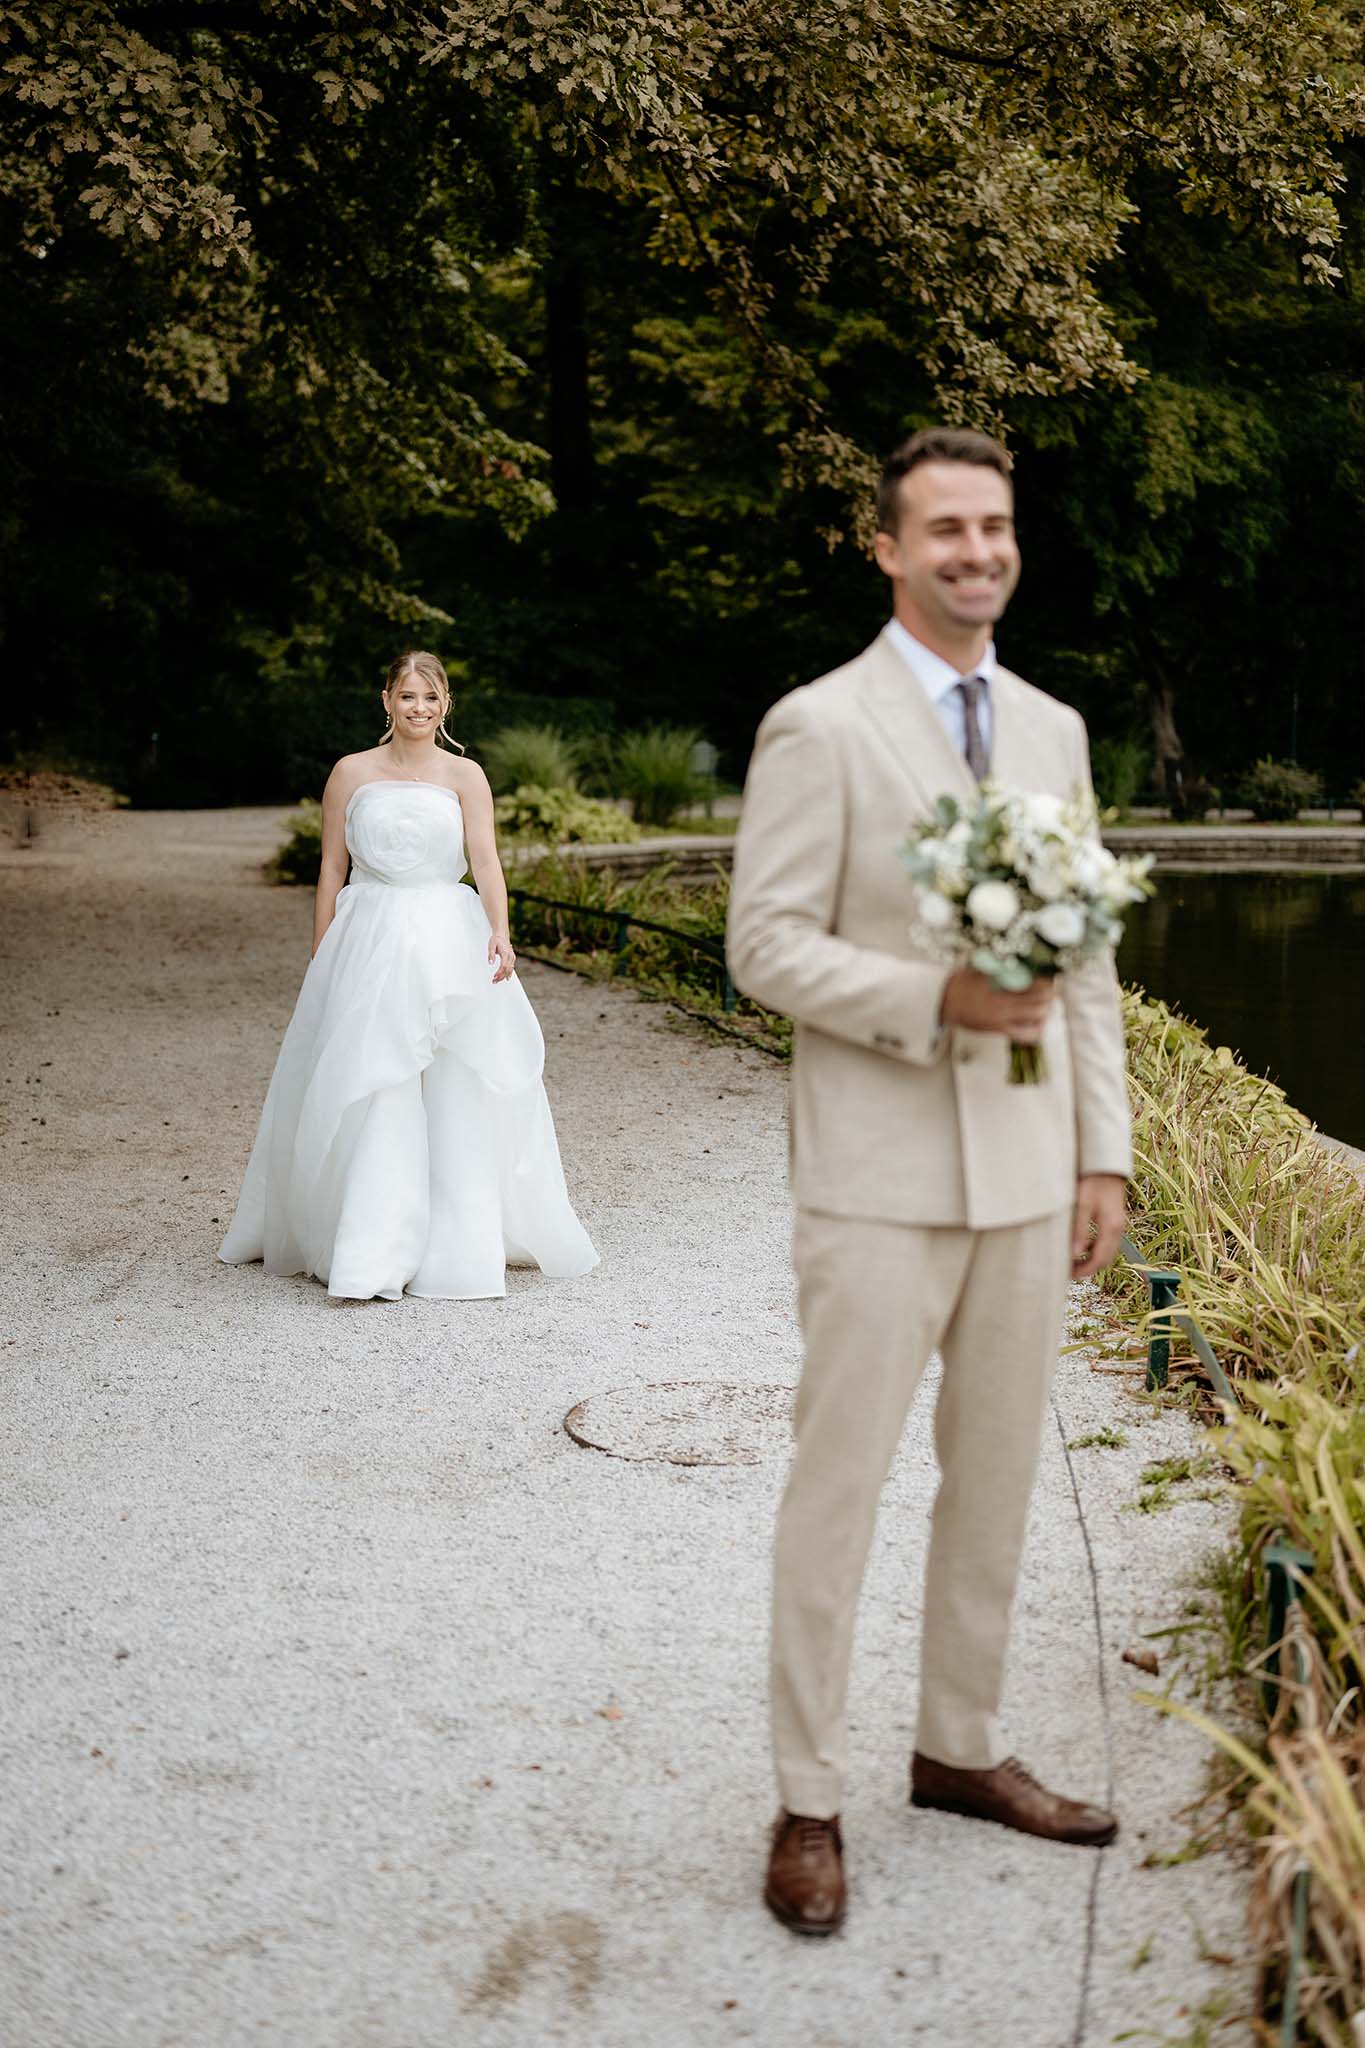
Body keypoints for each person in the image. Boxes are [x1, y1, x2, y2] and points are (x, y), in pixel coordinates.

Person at [726, 427, 1132, 1935]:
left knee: (999, 1480)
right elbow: (761, 944)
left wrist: (1103, 1151)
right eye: (946, 528)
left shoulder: (1054, 729)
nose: (978, 551)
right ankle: (807, 1795)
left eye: (995, 525)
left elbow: (1087, 961)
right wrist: (931, 998)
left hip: (1027, 1172)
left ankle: (959, 1747)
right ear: (890, 549)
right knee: (838, 1490)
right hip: (876, 1174)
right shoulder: (816, 725)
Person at [219, 650, 598, 1301]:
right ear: (387, 701)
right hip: (366, 935)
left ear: (445, 704)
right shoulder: (350, 772)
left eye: (430, 697)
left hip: (445, 934)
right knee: (374, 1076)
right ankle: (370, 1241)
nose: (418, 708)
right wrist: (322, 951)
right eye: (406, 696)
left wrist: (500, 931)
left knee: (453, 1080)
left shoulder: (465, 775)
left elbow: (485, 860)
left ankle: (453, 1241)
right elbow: (331, 868)